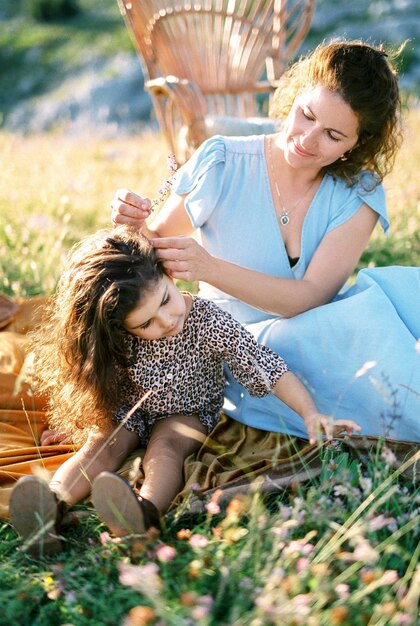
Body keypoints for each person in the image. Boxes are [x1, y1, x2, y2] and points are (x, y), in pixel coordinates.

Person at [110, 39, 420, 443]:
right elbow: (152, 248)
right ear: (293, 96)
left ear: (357, 143)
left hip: (319, 331)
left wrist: (211, 268)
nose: (307, 140)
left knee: (393, 297)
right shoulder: (222, 161)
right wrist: (130, 222)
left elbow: (310, 298)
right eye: (305, 115)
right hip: (238, 348)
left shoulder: (358, 192)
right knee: (361, 337)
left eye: (332, 135)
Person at [9, 225, 360, 556]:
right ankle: (49, 507)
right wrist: (81, 424)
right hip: (130, 410)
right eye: (145, 324)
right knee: (99, 445)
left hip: (188, 411)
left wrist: (310, 412)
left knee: (166, 448)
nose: (166, 322)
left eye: (165, 300)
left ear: (170, 275)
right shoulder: (114, 334)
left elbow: (267, 367)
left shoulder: (208, 321)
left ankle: (142, 512)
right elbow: (98, 382)